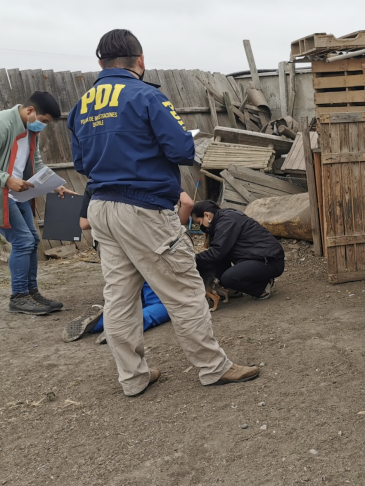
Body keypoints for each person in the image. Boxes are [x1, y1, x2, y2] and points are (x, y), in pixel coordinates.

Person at [68, 28, 259, 397]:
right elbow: (181, 151)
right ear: (140, 60)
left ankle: (133, 377)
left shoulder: (83, 105)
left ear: (100, 63)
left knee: (119, 296)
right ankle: (213, 367)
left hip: (100, 207)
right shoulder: (146, 95)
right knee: (185, 290)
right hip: (143, 208)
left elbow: (79, 162)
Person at [0, 91, 76, 315]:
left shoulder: (29, 128)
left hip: (19, 194)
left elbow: (35, 160)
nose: (43, 126)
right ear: (30, 111)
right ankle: (19, 297)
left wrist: (54, 183)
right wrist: (6, 179)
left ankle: (31, 292)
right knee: (23, 241)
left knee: (32, 239)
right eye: (43, 121)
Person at [63, 186, 192, 343]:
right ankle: (130, 326)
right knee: (164, 300)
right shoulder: (153, 172)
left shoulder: (96, 181)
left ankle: (103, 322)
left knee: (124, 297)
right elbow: (186, 203)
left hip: (112, 246)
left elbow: (84, 223)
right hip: (149, 242)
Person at [191, 200, 285, 300]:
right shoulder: (222, 219)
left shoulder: (226, 221)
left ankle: (262, 287)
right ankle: (233, 289)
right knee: (217, 264)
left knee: (229, 278)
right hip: (256, 258)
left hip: (269, 261)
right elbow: (218, 255)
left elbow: (216, 252)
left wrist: (190, 259)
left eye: (199, 222)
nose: (201, 227)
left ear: (207, 215)